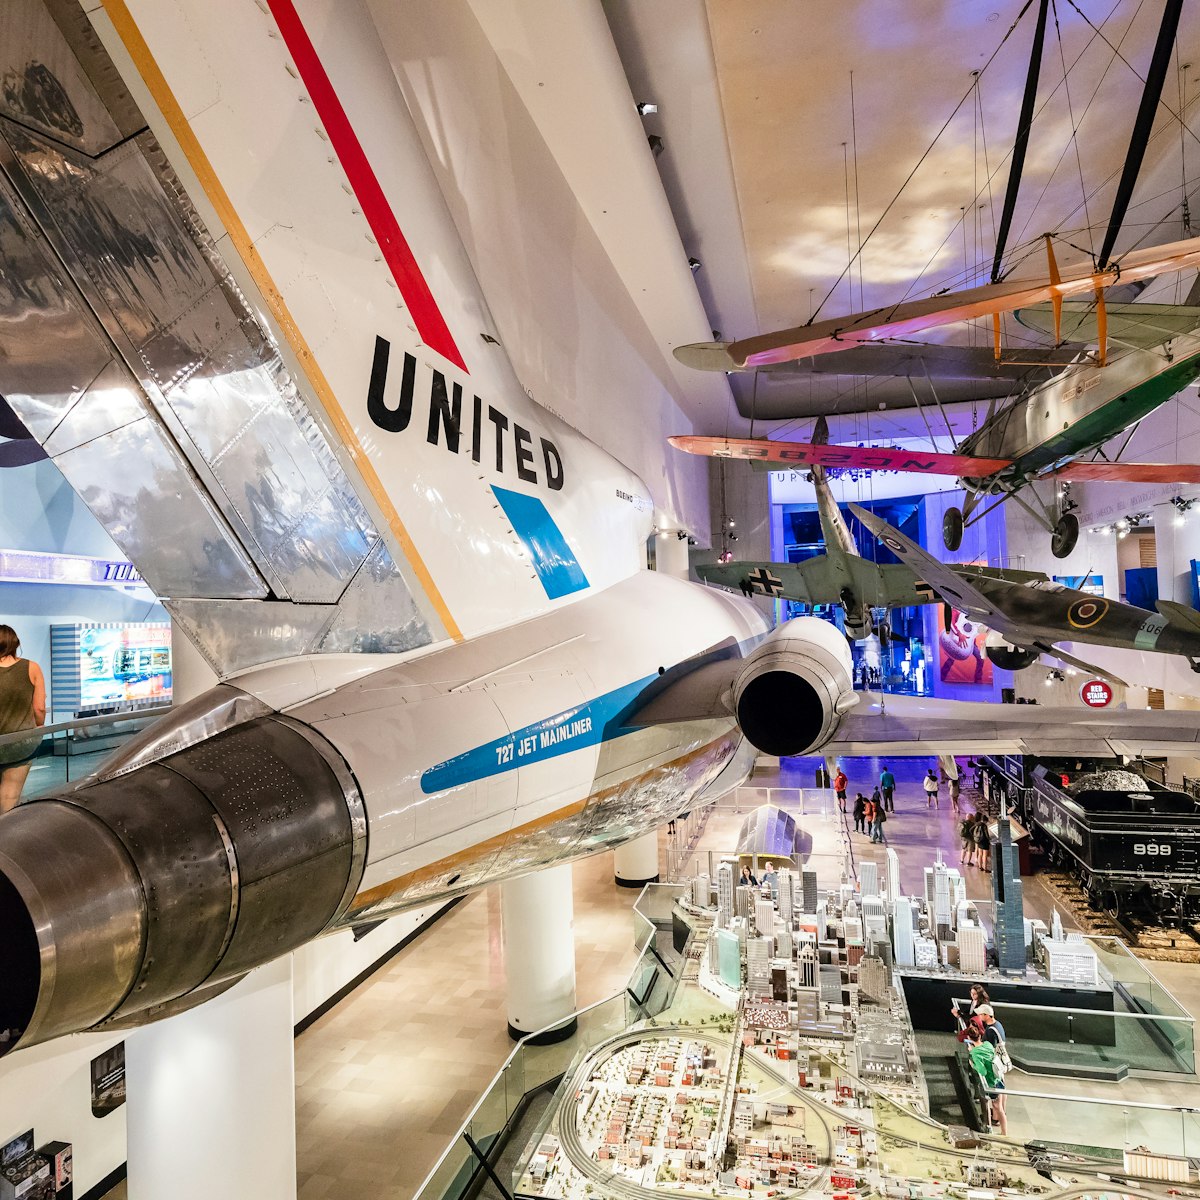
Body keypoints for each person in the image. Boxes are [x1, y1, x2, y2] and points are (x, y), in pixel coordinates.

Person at [0, 626, 45, 814]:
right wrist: (39, 726)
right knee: (9, 795)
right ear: (16, 643)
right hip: (20, 744)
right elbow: (39, 708)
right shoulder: (31, 667)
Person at [965, 1024, 1007, 1135]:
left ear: (969, 1038)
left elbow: (982, 1071)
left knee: (987, 1105)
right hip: (999, 1079)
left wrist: (972, 1062)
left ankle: (988, 1128)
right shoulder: (988, 1044)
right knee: (1000, 1108)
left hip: (989, 1084)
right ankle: (1004, 1132)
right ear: (980, 1036)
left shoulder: (975, 1053)